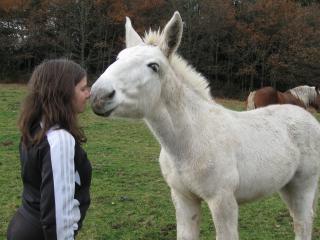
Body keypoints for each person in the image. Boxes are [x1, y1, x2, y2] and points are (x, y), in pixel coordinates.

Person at [7, 59, 92, 240]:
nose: (89, 94)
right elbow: (58, 218)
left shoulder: (36, 128)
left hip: (24, 225)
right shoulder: (59, 140)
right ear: (64, 93)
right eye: (83, 88)